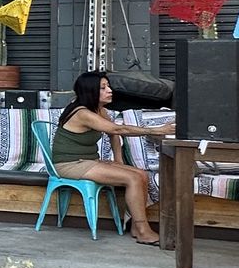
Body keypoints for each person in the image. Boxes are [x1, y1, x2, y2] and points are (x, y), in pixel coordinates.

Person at [51, 71, 174, 245]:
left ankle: (135, 227)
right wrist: (157, 130)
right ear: (90, 91)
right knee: (132, 178)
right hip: (69, 164)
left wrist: (118, 160)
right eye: (103, 88)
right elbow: (118, 130)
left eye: (108, 86)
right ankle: (144, 231)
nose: (110, 90)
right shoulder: (82, 112)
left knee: (142, 174)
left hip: (88, 161)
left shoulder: (99, 110)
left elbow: (112, 133)